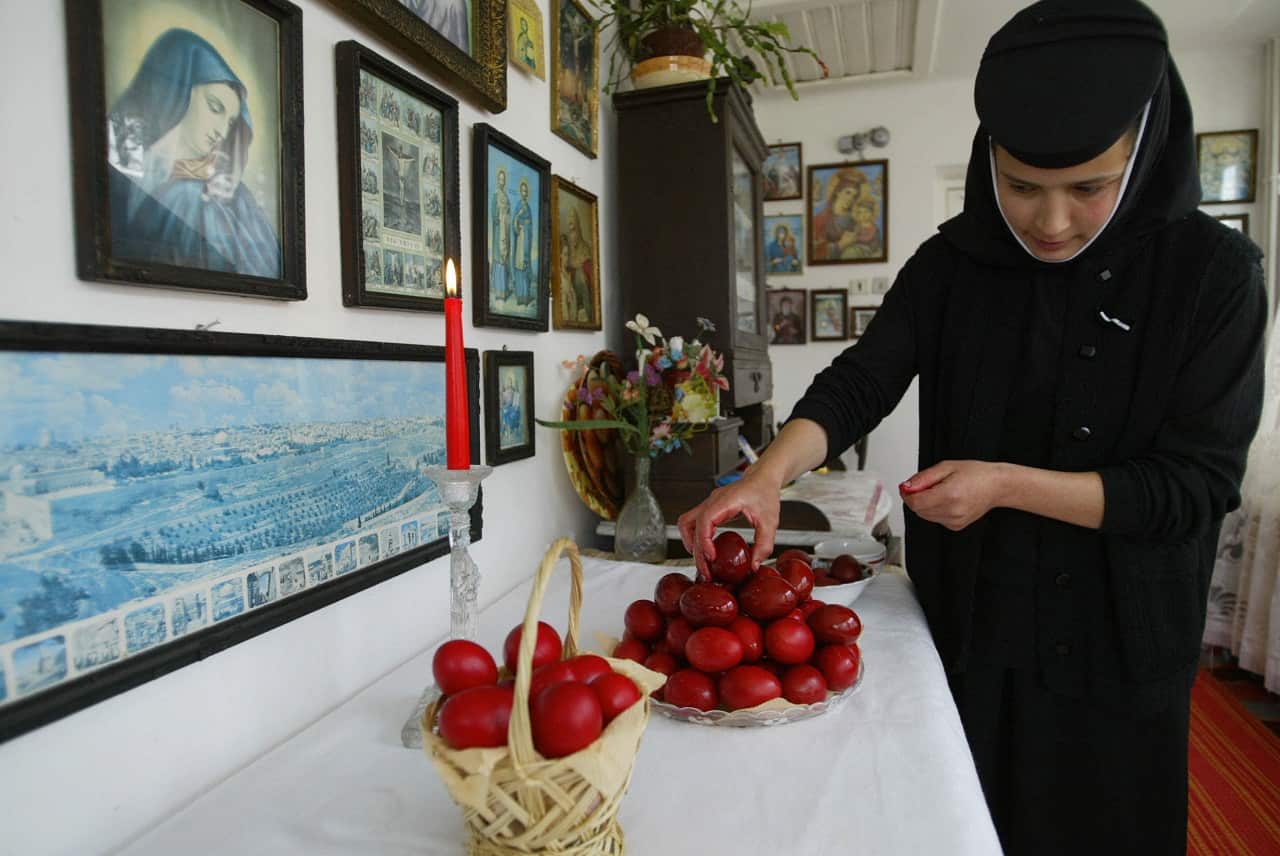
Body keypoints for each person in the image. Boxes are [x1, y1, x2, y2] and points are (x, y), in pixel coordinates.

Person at [678, 2, 1267, 853]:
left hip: (1121, 648)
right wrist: (767, 474)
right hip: (973, 631)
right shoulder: (953, 265)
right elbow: (858, 384)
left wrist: (1006, 485)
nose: (1051, 222)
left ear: (1142, 157)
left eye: (1089, 188)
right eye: (1022, 186)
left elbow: (1195, 487)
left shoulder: (1213, 277)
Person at [107, 28, 280, 278]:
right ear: (180, 88)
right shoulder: (126, 147)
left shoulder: (227, 193)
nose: (221, 132)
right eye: (214, 107)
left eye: (231, 123)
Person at [490, 167, 512, 301]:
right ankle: (498, 291)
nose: (501, 182)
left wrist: (506, 216)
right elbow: (494, 214)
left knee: (505, 260)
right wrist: (499, 216)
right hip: (499, 232)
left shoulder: (506, 197)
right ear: (497, 180)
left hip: (506, 229)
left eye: (503, 180)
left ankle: (505, 290)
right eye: (500, 179)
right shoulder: (495, 196)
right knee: (499, 259)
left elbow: (508, 213)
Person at [511, 178, 534, 305]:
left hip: (526, 242)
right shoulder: (519, 206)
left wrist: (527, 226)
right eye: (523, 191)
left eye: (526, 191)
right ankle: (520, 297)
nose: (524, 193)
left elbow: (530, 225)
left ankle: (526, 297)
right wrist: (520, 222)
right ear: (520, 192)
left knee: (526, 268)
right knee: (519, 268)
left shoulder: (529, 208)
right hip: (520, 242)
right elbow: (514, 224)